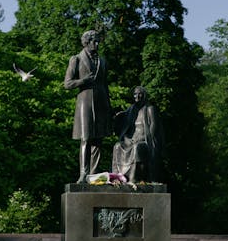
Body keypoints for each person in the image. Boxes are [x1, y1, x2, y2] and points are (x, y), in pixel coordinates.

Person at [64, 30, 111, 183]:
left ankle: (94, 174)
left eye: (98, 41)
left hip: (101, 103)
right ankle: (83, 174)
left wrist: (108, 108)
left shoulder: (102, 61)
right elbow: (67, 84)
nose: (97, 44)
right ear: (87, 42)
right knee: (86, 138)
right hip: (84, 102)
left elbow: (105, 85)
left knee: (98, 140)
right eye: (94, 41)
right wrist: (83, 81)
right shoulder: (76, 59)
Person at [112, 86, 163, 183]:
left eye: (140, 94)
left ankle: (133, 178)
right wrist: (126, 138)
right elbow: (125, 127)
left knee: (136, 147)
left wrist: (140, 139)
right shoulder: (131, 110)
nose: (137, 96)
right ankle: (117, 178)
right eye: (135, 94)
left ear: (144, 95)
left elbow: (153, 130)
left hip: (144, 142)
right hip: (131, 140)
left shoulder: (150, 109)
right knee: (117, 146)